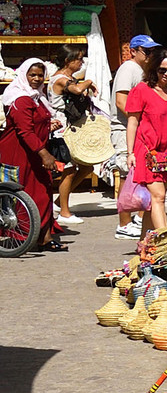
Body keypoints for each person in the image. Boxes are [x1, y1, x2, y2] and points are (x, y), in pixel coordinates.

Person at [0, 61, 66, 250]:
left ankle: (43, 236)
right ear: (24, 75)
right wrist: (45, 154)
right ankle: (28, 236)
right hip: (20, 154)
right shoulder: (21, 99)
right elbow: (25, 131)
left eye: (40, 75)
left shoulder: (36, 97)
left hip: (34, 152)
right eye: (32, 75)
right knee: (26, 194)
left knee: (44, 191)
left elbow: (34, 124)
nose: (37, 79)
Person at [124, 47, 167, 241]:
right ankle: (166, 242)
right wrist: (130, 152)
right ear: (154, 70)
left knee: (155, 201)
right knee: (158, 197)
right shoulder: (141, 90)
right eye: (162, 70)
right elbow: (132, 122)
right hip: (147, 152)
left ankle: (144, 244)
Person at [111, 35, 157, 239]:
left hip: (136, 128)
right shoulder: (128, 68)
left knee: (139, 174)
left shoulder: (141, 71)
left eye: (152, 51)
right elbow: (121, 101)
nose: (150, 55)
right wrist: (137, 119)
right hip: (124, 128)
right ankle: (124, 223)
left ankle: (138, 217)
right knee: (125, 174)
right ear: (133, 51)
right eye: (146, 51)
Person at [48, 44, 97, 230]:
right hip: (61, 128)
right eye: (79, 59)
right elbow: (76, 90)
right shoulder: (60, 79)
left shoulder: (70, 78)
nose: (81, 62)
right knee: (68, 169)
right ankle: (65, 212)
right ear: (69, 61)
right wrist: (89, 81)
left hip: (73, 128)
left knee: (86, 166)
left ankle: (60, 202)